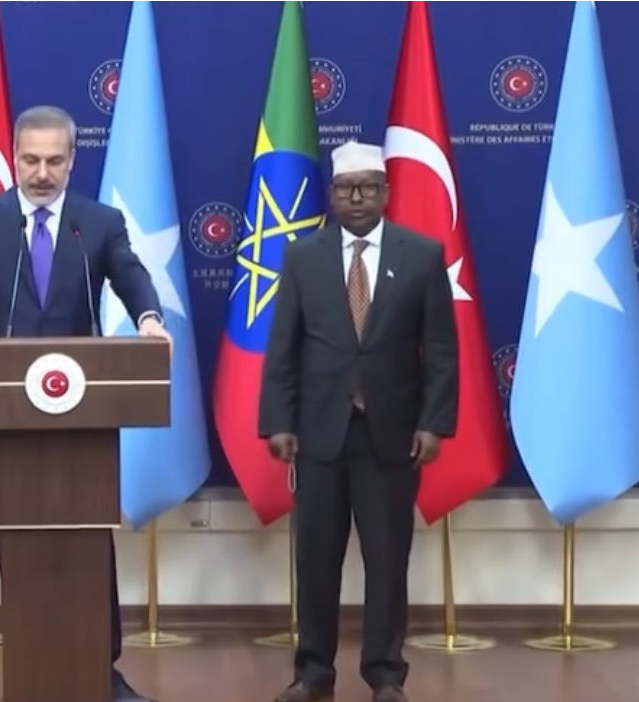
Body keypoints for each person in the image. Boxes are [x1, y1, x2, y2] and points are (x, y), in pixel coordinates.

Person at [0, 105, 169, 702]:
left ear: (72, 160)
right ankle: (33, 663)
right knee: (19, 540)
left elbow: (130, 274)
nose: (41, 173)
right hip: (5, 413)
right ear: (14, 157)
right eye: (31, 160)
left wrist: (148, 318)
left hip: (82, 418)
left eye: (54, 161)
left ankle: (101, 668)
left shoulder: (98, 222)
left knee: (90, 540)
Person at [258, 141, 459, 702]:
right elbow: (283, 348)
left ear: (385, 193)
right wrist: (278, 421)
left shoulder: (421, 255)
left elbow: (441, 350)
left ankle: (386, 675)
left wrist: (434, 423)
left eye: (368, 187)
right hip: (318, 435)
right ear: (332, 194)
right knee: (316, 561)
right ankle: (312, 674)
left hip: (392, 437)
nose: (357, 197)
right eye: (347, 188)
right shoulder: (303, 257)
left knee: (388, 561)